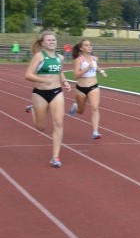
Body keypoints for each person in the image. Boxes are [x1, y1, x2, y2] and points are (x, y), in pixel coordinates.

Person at [24, 30, 72, 167]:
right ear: (43, 43)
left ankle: (55, 157)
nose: (52, 42)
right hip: (40, 93)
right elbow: (27, 75)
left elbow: (60, 72)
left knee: (59, 123)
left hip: (57, 92)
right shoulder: (39, 56)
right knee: (41, 127)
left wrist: (65, 82)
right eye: (49, 40)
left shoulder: (60, 58)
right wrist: (42, 80)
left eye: (54, 40)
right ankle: (33, 108)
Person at [68, 39, 107, 139]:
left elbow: (96, 67)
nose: (89, 47)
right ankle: (75, 106)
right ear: (81, 48)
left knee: (94, 107)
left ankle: (95, 132)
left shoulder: (93, 59)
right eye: (86, 45)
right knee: (80, 111)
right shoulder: (79, 60)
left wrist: (102, 72)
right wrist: (86, 68)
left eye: (90, 45)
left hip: (93, 86)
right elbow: (75, 76)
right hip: (81, 88)